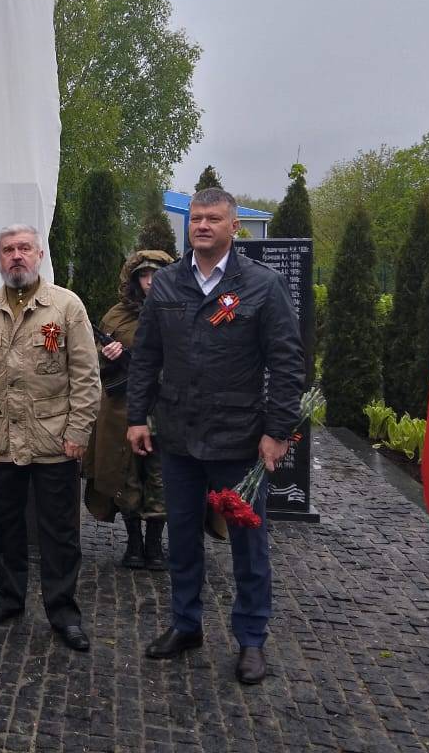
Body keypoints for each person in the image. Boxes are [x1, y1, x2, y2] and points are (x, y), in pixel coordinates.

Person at [127, 188, 304, 685]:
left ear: (233, 228)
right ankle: (187, 625)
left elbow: (287, 363)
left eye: (213, 219)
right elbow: (147, 357)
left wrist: (278, 431)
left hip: (239, 440)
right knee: (182, 538)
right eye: (196, 219)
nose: (202, 225)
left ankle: (251, 640)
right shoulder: (166, 284)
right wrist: (136, 417)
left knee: (248, 545)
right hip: (179, 437)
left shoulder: (261, 286)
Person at [0, 224, 101, 652]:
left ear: (40, 254)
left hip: (54, 439)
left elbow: (86, 376)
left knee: (59, 531)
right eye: (8, 250)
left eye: (24, 248)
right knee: (6, 525)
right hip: (1, 440)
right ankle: (9, 597)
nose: (16, 256)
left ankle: (62, 611)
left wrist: (79, 430)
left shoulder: (65, 307)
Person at [83, 249, 174, 570]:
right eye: (144, 276)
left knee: (161, 477)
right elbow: (91, 359)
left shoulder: (179, 309)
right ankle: (133, 544)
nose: (150, 281)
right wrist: (108, 354)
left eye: (157, 275)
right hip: (122, 410)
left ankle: (155, 545)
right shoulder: (116, 317)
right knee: (127, 476)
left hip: (166, 410)